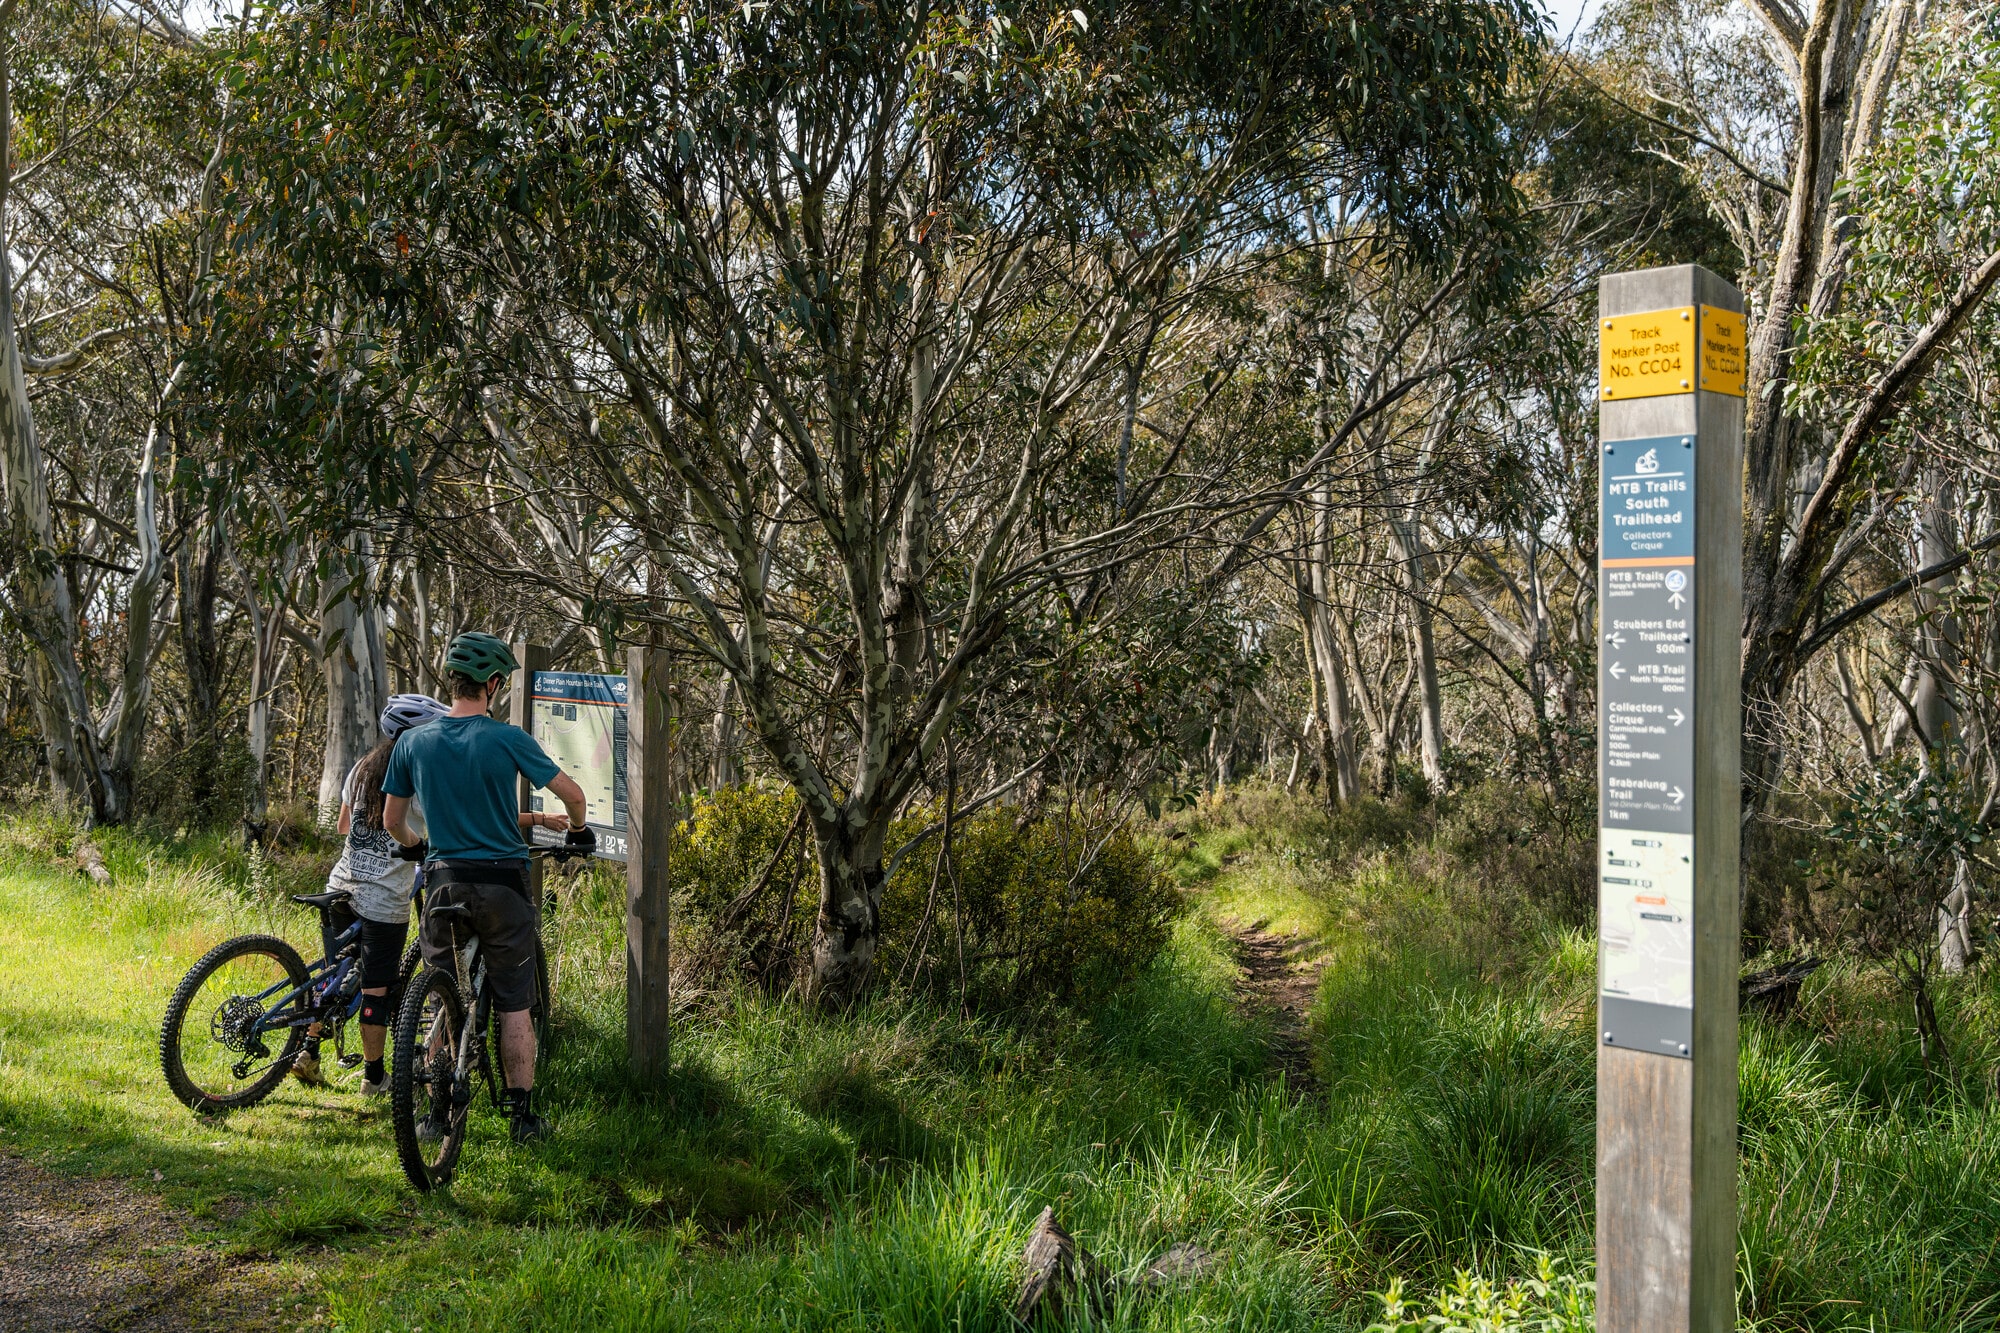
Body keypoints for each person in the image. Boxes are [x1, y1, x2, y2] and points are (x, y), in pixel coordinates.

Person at [381, 632, 591, 1144]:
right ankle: (522, 1118)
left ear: (451, 682)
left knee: (442, 994)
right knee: (514, 1005)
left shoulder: (413, 742)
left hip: (442, 884)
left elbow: (393, 820)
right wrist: (579, 830)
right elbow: (574, 794)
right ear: (493, 684)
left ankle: (433, 1113)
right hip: (502, 885)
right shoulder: (507, 738)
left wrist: (417, 846)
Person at [292, 693, 452, 1094]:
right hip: (383, 898)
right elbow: (438, 826)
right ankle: (374, 1077)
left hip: (340, 884)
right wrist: (417, 846)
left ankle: (308, 1051)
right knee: (374, 991)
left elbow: (345, 826)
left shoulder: (361, 768)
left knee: (335, 976)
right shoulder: (417, 778)